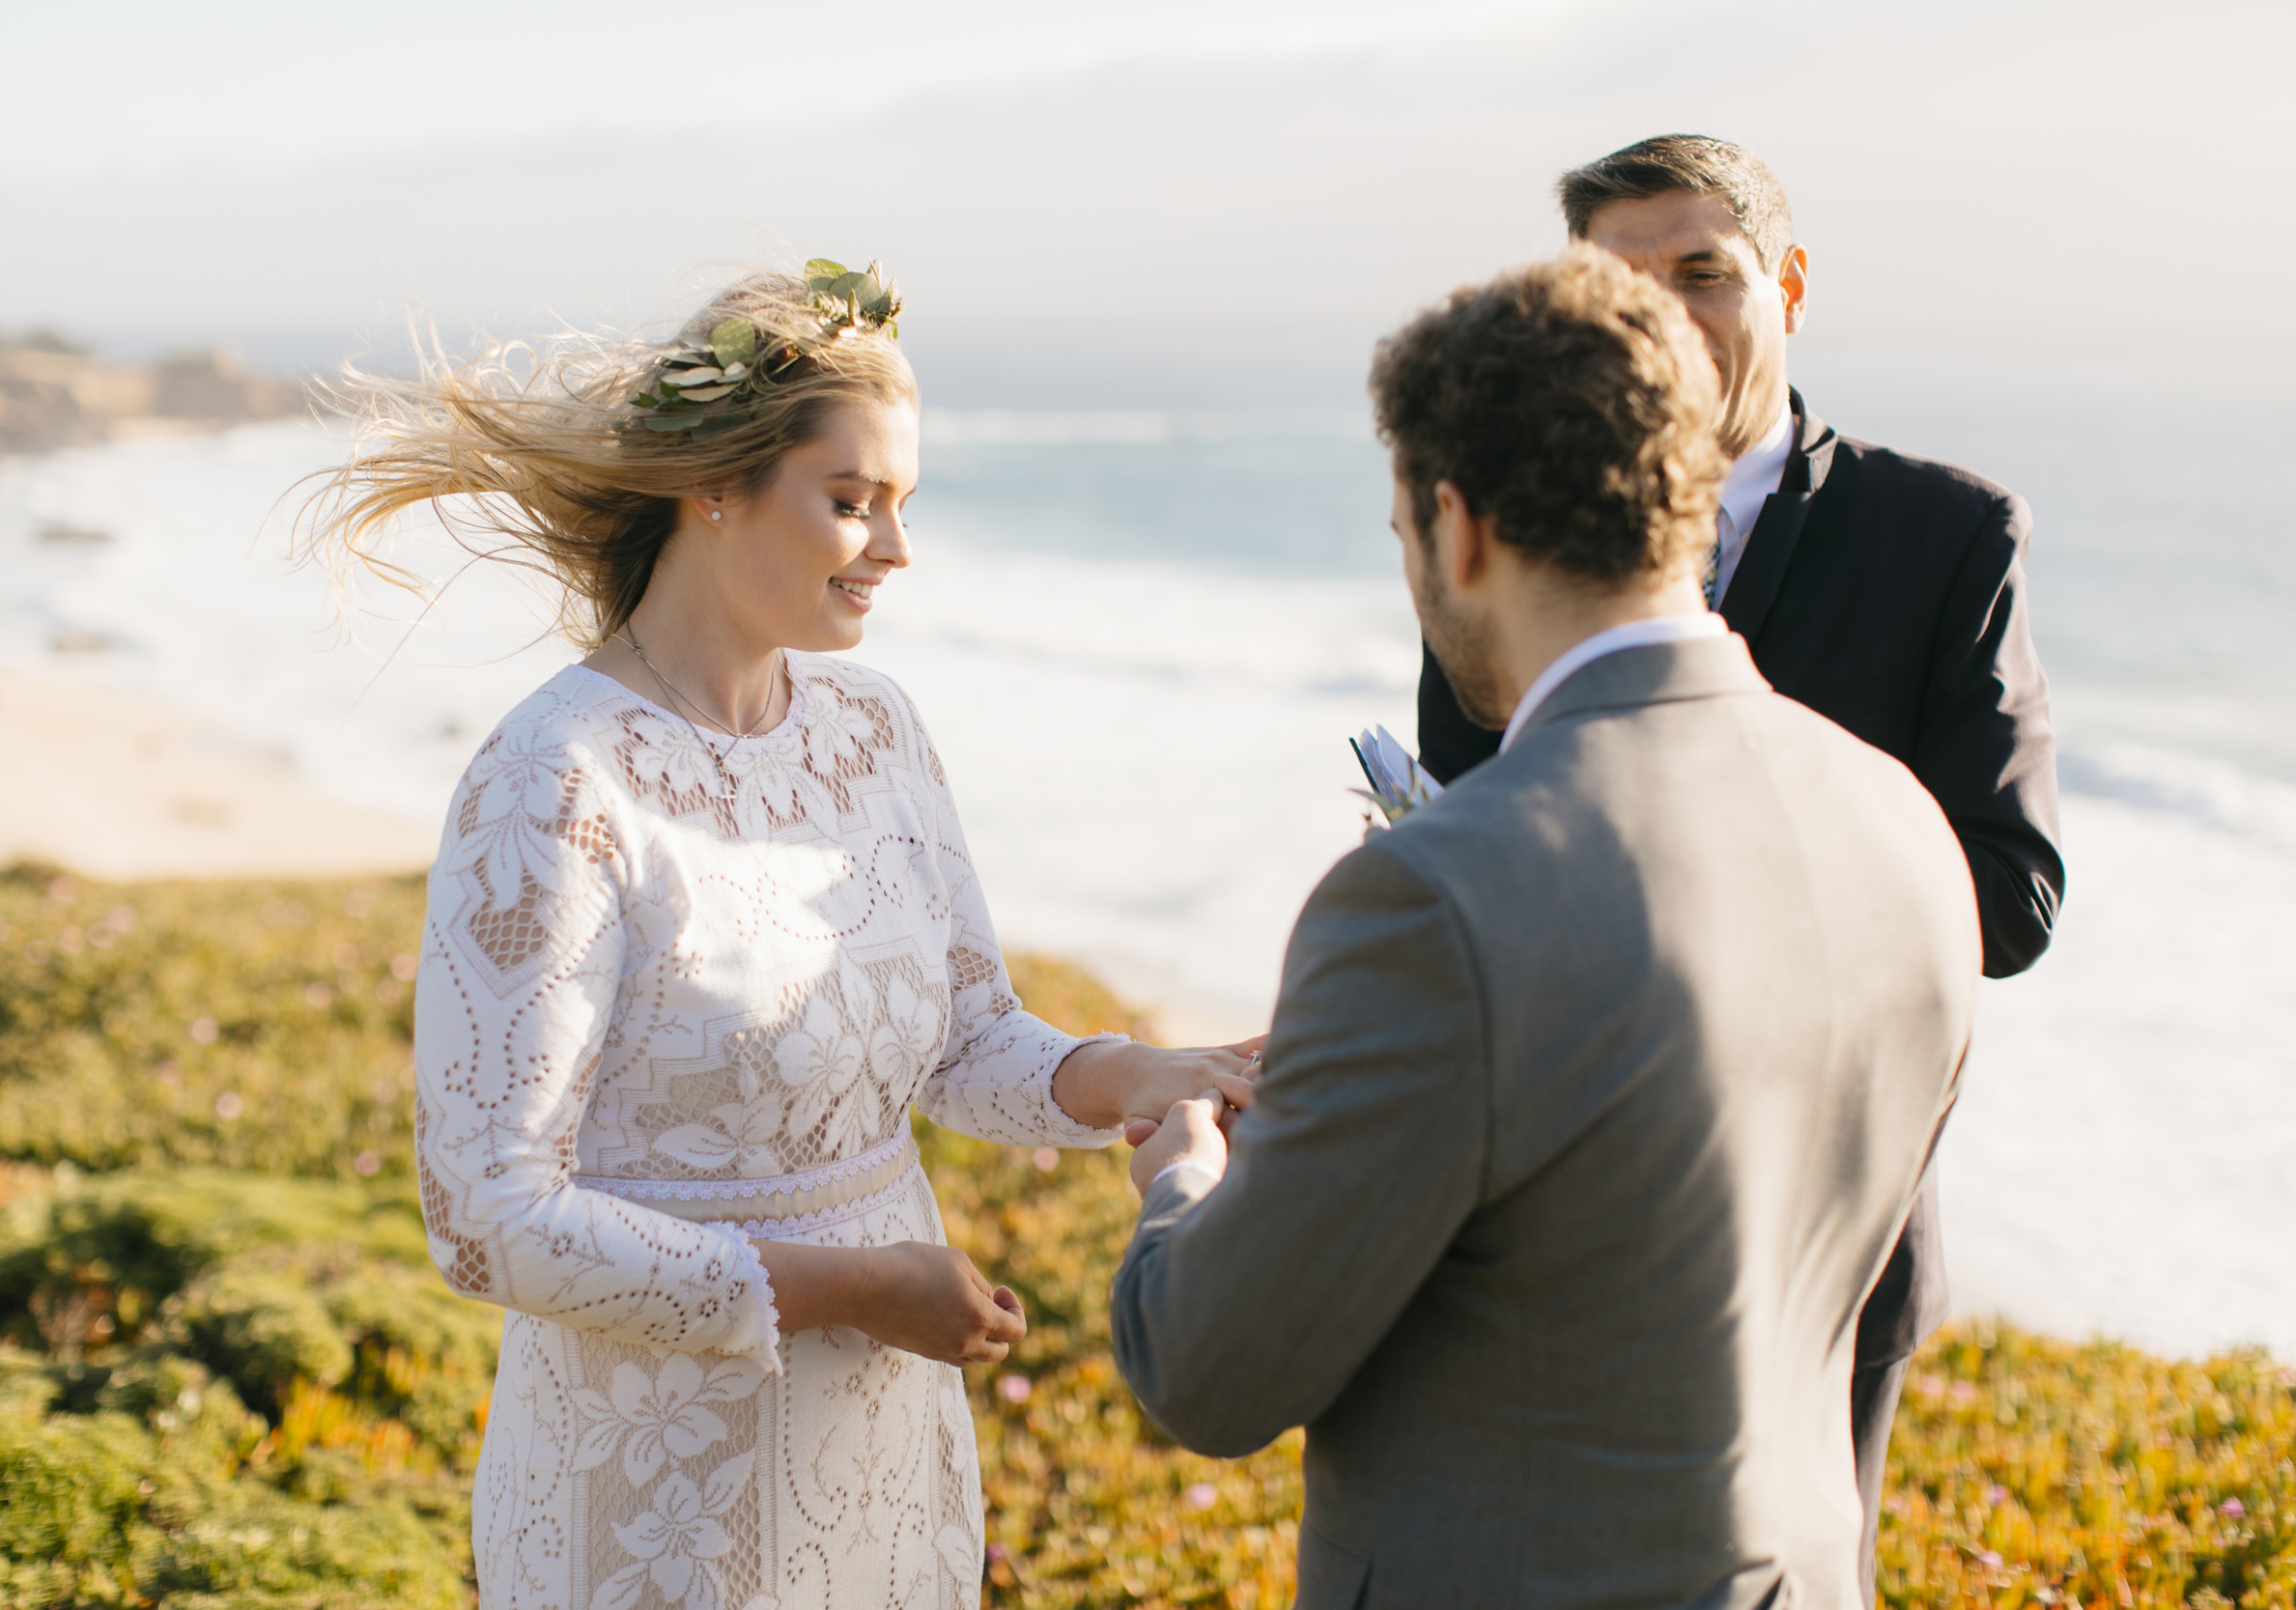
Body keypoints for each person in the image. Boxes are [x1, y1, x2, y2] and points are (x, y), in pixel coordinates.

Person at [312, 263, 1259, 1610]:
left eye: (903, 505)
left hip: (882, 1456)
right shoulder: (554, 780)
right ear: (713, 485)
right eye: (851, 500)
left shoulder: (876, 731)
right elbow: (488, 1218)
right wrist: (855, 1287)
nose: (894, 546)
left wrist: (1136, 1077)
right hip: (652, 1489)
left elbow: (966, 1036)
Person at [1109, 249, 1980, 1609]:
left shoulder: (1437, 896)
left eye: (1406, 537)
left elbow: (1212, 1371)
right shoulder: (1906, 827)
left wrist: (1184, 1177)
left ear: (1458, 527)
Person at [1413, 134, 2065, 1591]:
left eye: (1704, 273)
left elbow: (2011, 901)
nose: (1664, 316)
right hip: (1539, 1213)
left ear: (1793, 285)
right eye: (1619, 284)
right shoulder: (1504, 524)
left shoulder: (1946, 533)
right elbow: (1459, 813)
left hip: (1825, 1234)